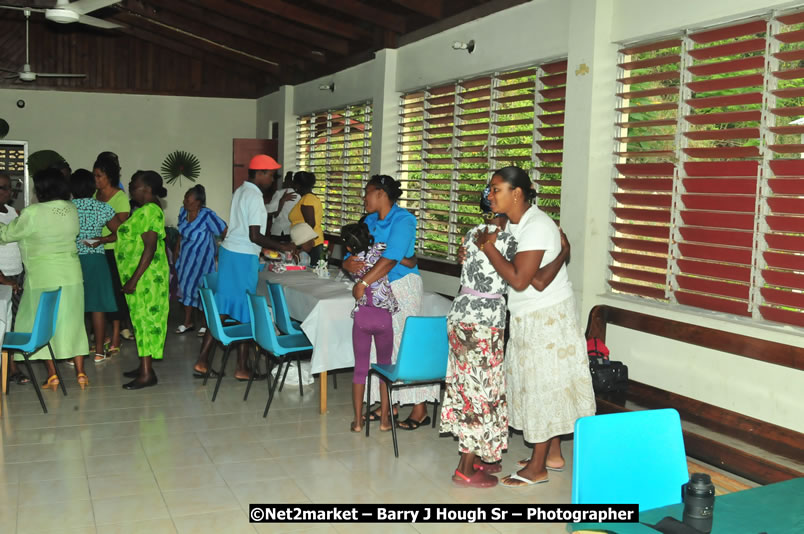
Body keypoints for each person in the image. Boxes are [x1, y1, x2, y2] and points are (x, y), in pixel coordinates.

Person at [441, 185, 570, 488]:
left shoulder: (474, 233)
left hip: (462, 313)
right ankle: (465, 467)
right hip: (484, 322)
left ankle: (483, 456)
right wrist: (563, 253)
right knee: (481, 391)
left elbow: (470, 264)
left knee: (466, 386)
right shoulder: (508, 239)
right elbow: (532, 280)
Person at [474, 166, 595, 487]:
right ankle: (552, 454)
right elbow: (538, 278)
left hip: (547, 319)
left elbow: (520, 278)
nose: (490, 195)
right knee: (542, 384)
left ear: (517, 193)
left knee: (544, 386)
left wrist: (488, 247)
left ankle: (538, 466)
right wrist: (564, 252)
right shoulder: (519, 225)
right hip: (531, 314)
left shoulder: (538, 226)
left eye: (496, 189)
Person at [342, 174, 434, 429]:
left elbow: (392, 258)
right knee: (380, 350)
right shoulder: (369, 221)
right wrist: (347, 264)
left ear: (381, 193)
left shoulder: (404, 219)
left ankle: (419, 408)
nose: (364, 198)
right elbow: (359, 252)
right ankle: (389, 404)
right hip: (378, 289)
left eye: (367, 192)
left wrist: (362, 283)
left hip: (402, 286)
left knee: (402, 344)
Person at [192, 155, 295, 380]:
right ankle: (239, 367)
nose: (272, 179)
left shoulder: (241, 191)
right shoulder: (254, 197)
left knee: (225, 306)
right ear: (259, 173)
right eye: (270, 174)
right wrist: (283, 246)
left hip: (230, 253)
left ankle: (212, 362)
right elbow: (255, 235)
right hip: (242, 256)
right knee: (246, 308)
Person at [0, 169, 90, 389]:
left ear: (41, 189)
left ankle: (52, 375)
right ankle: (81, 373)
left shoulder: (32, 212)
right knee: (73, 323)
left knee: (42, 324)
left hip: (43, 276)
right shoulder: (71, 208)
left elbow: (6, 235)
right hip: (72, 275)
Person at [340, 221, 399, 433]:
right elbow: (396, 254)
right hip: (383, 317)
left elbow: (346, 263)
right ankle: (384, 420)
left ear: (348, 247)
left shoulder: (352, 261)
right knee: (384, 368)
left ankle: (357, 422)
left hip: (362, 317)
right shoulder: (381, 250)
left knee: (360, 370)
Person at [116, 171, 170, 390]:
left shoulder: (150, 211)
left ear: (147, 189)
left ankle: (147, 374)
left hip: (146, 279)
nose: (130, 188)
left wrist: (133, 280)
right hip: (142, 277)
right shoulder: (145, 211)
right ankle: (144, 366)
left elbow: (150, 248)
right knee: (140, 320)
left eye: (133, 186)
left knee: (145, 321)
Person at [70, 169, 119, 363]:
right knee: (98, 307)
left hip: (73, 259)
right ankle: (99, 352)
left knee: (76, 307)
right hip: (97, 259)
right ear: (92, 187)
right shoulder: (103, 208)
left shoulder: (67, 208)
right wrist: (102, 239)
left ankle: (76, 354)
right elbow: (121, 233)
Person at [92, 152, 132, 353]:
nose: (96, 180)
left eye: (99, 176)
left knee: (115, 293)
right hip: (96, 251)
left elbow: (123, 231)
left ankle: (117, 335)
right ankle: (104, 335)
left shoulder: (119, 197)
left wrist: (103, 239)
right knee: (101, 295)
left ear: (109, 176)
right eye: (95, 176)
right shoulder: (95, 195)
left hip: (114, 251)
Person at [175, 185, 227, 335]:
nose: (184, 201)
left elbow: (224, 230)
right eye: (185, 198)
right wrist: (177, 248)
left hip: (203, 260)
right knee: (186, 289)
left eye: (188, 199)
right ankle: (188, 322)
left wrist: (223, 252)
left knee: (204, 290)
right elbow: (180, 232)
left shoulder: (207, 215)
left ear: (198, 202)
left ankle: (205, 323)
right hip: (185, 259)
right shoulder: (182, 211)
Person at [0, 173, 28, 385]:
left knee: (13, 324)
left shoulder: (12, 212)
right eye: (2, 188)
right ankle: (11, 368)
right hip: (2, 278)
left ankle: (10, 366)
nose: (7, 192)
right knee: (3, 325)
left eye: (8, 188)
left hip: (16, 273)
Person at [288, 171, 324, 265]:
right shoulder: (308, 198)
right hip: (309, 242)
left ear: (298, 184)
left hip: (308, 244)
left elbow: (310, 223)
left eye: (294, 182)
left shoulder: (308, 199)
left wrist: (301, 246)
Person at [267, 171, 299, 241]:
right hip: (293, 231)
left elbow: (270, 212)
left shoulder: (279, 193)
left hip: (279, 231)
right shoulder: (300, 195)